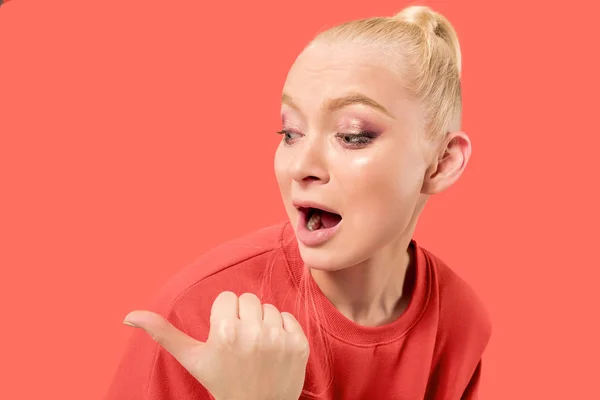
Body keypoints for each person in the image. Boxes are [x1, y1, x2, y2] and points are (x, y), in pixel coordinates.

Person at [105, 5, 492, 400]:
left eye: (352, 135)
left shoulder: (461, 323)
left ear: (442, 162)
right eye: (291, 133)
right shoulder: (197, 317)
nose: (301, 166)